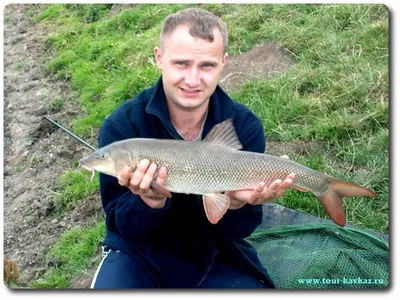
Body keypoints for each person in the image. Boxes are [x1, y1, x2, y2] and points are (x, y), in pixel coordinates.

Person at [90, 7, 295, 289]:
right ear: (159, 58)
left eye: (207, 66)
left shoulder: (243, 125)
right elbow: (119, 223)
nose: (192, 80)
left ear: (224, 63)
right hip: (140, 253)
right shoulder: (123, 126)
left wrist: (236, 203)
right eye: (181, 64)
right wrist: (149, 203)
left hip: (215, 249)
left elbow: (242, 229)